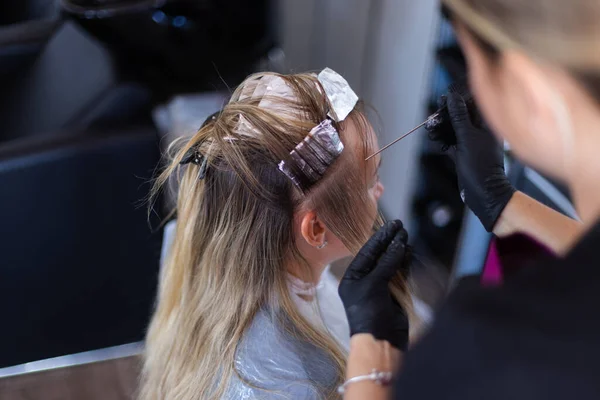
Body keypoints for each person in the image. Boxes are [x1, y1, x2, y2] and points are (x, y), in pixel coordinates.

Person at [338, 0, 600, 398]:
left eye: (473, 66)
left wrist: (368, 363)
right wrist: (501, 202)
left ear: (530, 92)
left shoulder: (490, 354)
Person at [138, 69, 421, 400]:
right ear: (316, 229)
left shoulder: (197, 251)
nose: (380, 190)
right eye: (371, 182)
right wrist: (379, 370)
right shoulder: (285, 383)